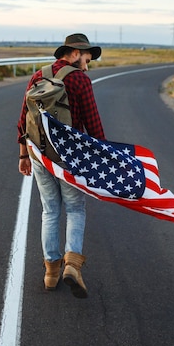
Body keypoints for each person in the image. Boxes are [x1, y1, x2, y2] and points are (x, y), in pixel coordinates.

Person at [17, 33, 105, 298]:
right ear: (75, 53)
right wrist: (101, 157)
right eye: (87, 59)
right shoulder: (80, 80)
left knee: (50, 211)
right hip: (70, 157)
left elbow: (23, 118)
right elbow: (94, 124)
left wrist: (23, 155)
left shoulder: (38, 76)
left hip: (40, 154)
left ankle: (50, 272)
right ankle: (72, 267)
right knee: (76, 209)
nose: (87, 66)